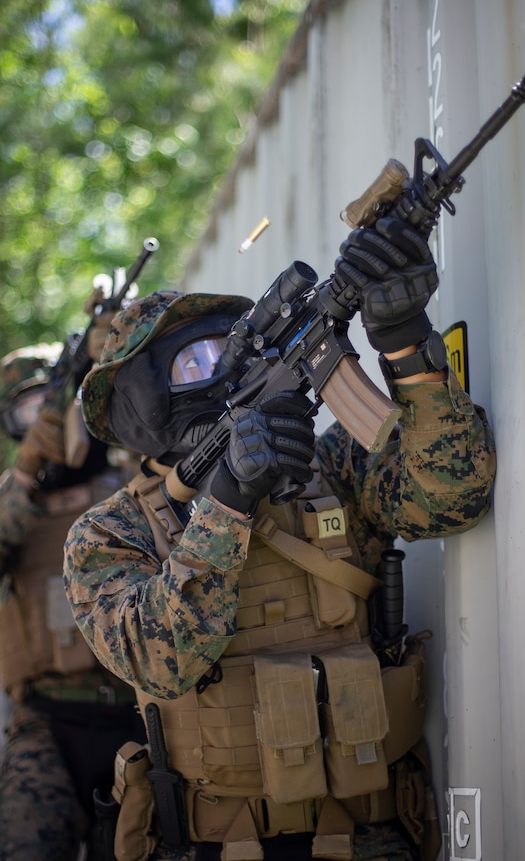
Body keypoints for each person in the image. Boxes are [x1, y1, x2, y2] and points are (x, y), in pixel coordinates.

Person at [64, 219, 496, 861]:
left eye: (222, 348)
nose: (214, 370)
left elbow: (452, 498)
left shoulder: (332, 469)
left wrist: (406, 347)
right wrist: (229, 499)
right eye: (191, 362)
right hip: (219, 844)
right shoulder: (107, 535)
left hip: (371, 835)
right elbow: (163, 661)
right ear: (138, 407)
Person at [0, 332, 146, 861]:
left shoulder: (131, 481)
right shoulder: (11, 500)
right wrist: (25, 476)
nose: (48, 420)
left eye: (55, 405)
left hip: (139, 716)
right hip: (46, 721)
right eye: (31, 410)